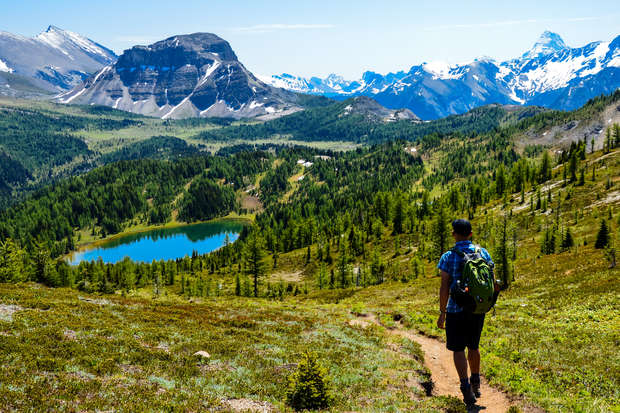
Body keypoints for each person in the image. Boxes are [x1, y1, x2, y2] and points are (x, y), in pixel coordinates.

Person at [436, 219, 499, 406]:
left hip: (456, 310)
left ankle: (466, 388)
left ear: (454, 234)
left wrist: (442, 312)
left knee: (457, 349)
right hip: (477, 308)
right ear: (470, 234)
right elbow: (493, 282)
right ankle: (476, 383)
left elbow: (444, 287)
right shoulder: (483, 253)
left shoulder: (448, 256)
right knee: (474, 346)